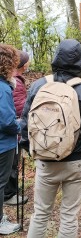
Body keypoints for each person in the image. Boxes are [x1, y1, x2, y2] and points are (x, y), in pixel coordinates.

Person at [20, 39, 81, 238]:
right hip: (77, 162)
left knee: (40, 214)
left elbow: (25, 125)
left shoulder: (37, 87)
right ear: (80, 62)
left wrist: (34, 152)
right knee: (69, 216)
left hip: (45, 160)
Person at [0, 44, 21, 235]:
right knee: (1, 181)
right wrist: (21, 125)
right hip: (3, 144)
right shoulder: (3, 89)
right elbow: (7, 122)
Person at [4, 50, 30, 206]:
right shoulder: (16, 83)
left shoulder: (13, 79)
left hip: (12, 128)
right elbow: (20, 108)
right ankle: (9, 195)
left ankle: (10, 190)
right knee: (12, 163)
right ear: (23, 65)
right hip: (13, 130)